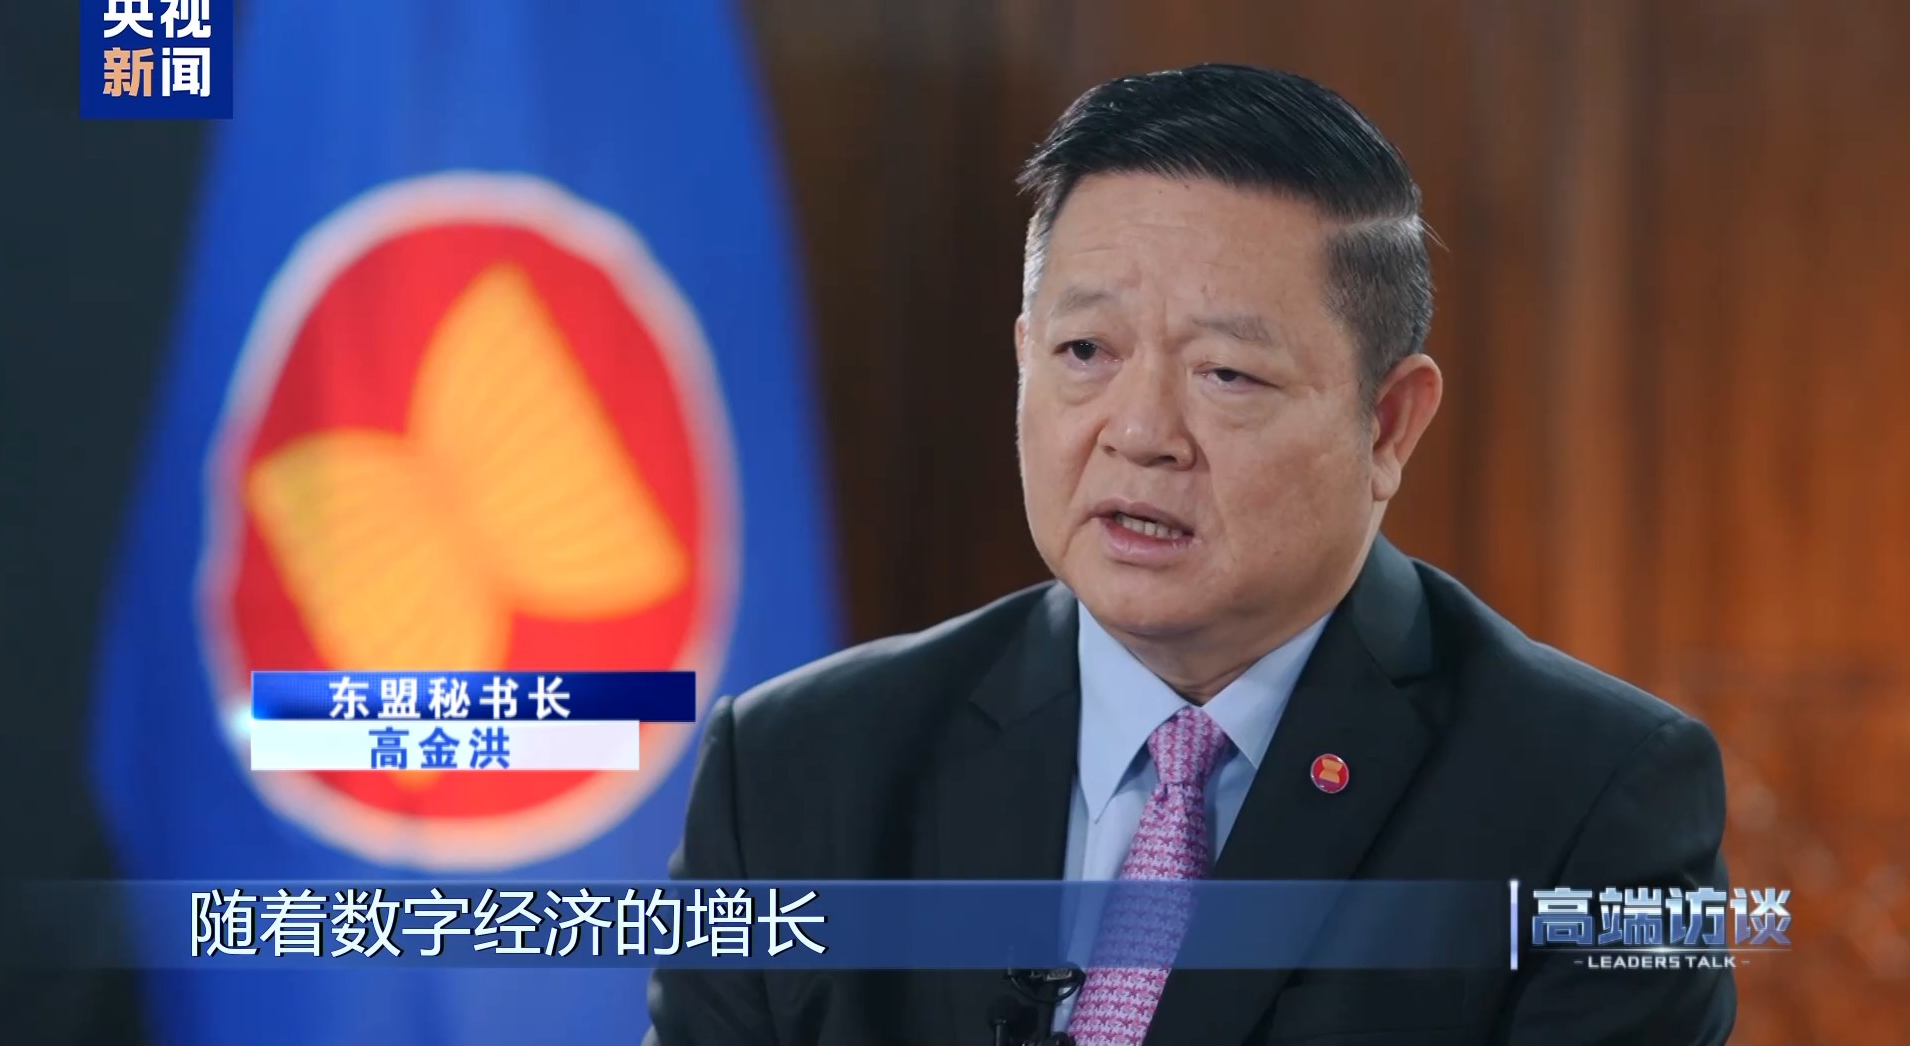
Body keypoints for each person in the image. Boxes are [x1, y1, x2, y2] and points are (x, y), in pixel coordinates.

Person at [646, 63, 1735, 1046]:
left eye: (1227, 374)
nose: (1139, 432)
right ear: (1024, 360)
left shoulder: (1597, 801)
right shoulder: (794, 768)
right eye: (1085, 351)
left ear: (1389, 426)